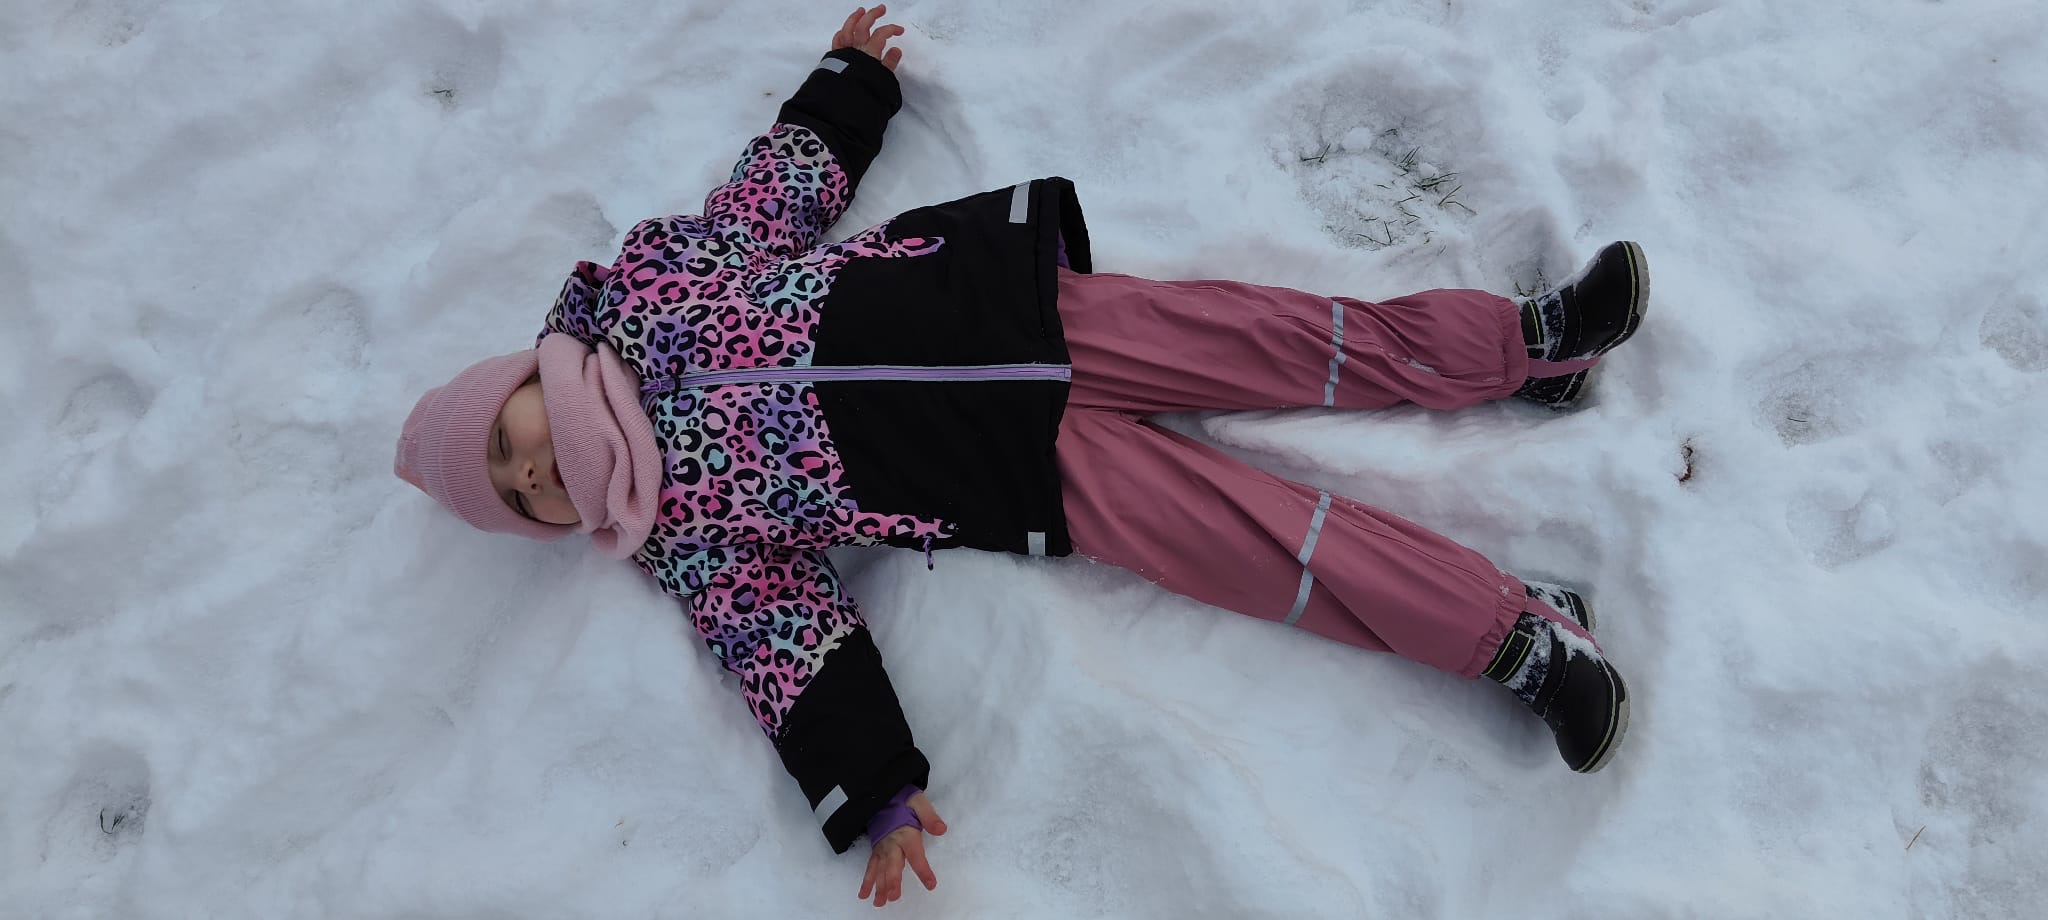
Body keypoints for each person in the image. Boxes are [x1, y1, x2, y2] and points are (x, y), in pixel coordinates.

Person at [392, 6, 1642, 907]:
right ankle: (1516, 637)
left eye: (506, 441)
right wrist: (871, 789)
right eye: (515, 497)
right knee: (1275, 549)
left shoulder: (654, 283)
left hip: (1031, 318)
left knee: (1289, 338)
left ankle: (1524, 348)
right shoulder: (683, 536)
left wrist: (846, 83)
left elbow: (769, 196)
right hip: (1029, 479)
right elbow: (785, 647)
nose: (533, 473)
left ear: (520, 379)